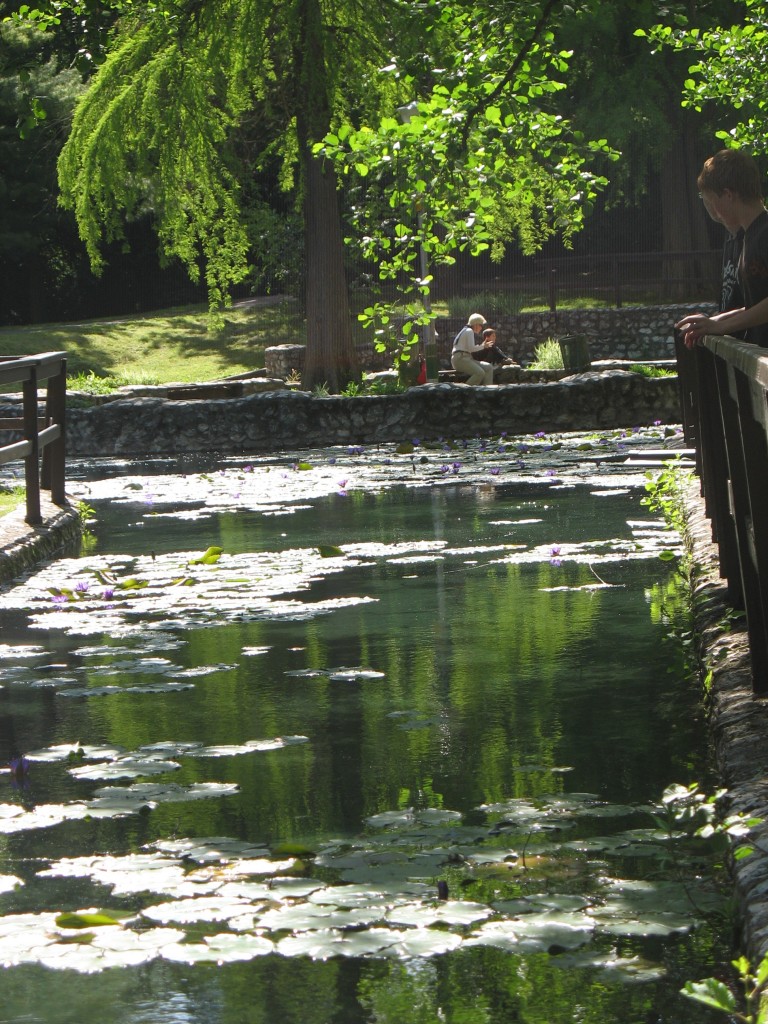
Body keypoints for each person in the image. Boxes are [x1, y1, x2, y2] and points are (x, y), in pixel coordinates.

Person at [676, 149, 768, 348]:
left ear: (728, 195)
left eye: (712, 201)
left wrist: (720, 328)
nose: (714, 211)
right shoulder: (749, 236)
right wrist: (717, 321)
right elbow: (757, 306)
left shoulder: (764, 233)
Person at [451, 313, 495, 385]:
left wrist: (483, 346)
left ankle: (487, 391)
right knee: (480, 373)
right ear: (476, 324)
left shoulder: (466, 330)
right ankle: (465, 392)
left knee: (488, 367)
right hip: (461, 359)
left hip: (464, 358)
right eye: (481, 325)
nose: (481, 327)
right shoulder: (469, 331)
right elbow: (471, 349)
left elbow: (470, 348)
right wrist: (483, 346)